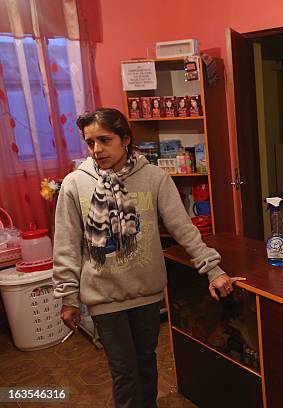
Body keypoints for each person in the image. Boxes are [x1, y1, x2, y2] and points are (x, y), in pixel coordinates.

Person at [52, 108, 243, 408]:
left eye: (105, 140)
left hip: (146, 293)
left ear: (125, 139)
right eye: (90, 143)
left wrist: (213, 269)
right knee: (125, 373)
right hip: (103, 295)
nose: (97, 149)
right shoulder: (75, 184)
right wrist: (68, 298)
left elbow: (183, 228)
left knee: (146, 364)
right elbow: (66, 245)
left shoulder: (154, 178)